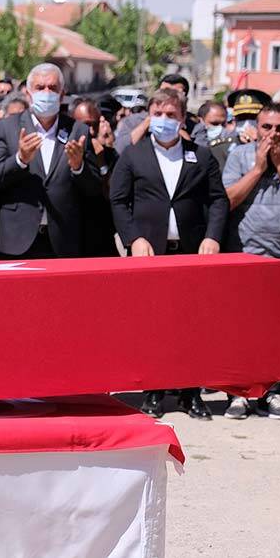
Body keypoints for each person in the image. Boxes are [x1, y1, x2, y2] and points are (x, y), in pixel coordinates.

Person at [110, 88, 227, 420]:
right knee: (154, 325)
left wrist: (212, 236)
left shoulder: (201, 156)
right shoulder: (134, 155)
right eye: (158, 114)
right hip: (151, 253)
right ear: (149, 116)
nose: (164, 121)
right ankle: (153, 392)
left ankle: (191, 393)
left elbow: (218, 200)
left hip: (191, 252)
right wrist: (134, 239)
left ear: (182, 118)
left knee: (191, 325)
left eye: (171, 115)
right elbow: (119, 201)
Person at [221, 103, 280, 420]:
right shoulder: (239, 156)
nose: (273, 134)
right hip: (244, 257)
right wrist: (260, 168)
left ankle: (270, 393)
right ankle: (238, 393)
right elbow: (228, 200)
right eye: (267, 127)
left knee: (277, 334)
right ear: (256, 127)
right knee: (239, 329)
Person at [0, 63, 96, 259]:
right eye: (40, 88)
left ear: (62, 95)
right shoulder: (8, 127)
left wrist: (78, 167)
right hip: (18, 242)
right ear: (28, 94)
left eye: (52, 88)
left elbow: (94, 189)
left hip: (62, 241)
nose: (46, 93)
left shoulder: (78, 131)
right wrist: (20, 160)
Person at [71, 98, 119, 257]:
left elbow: (111, 192)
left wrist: (101, 161)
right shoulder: (63, 152)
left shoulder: (109, 154)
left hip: (101, 233)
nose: (90, 131)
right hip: (72, 234)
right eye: (85, 125)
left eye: (94, 125)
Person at [114, 74, 190, 152]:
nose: (168, 98)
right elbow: (121, 149)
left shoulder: (195, 126)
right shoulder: (133, 121)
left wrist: (176, 129)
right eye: (164, 92)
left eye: (175, 93)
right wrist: (148, 122)